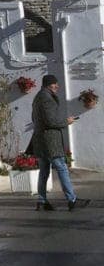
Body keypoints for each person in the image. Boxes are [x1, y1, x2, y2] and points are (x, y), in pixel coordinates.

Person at [31, 74, 84, 211]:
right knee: (61, 168)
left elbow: (36, 119)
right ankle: (72, 199)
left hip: (40, 139)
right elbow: (51, 121)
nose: (57, 86)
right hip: (50, 141)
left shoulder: (38, 97)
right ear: (49, 84)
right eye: (55, 84)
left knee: (44, 171)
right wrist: (66, 122)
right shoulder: (46, 98)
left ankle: (42, 201)